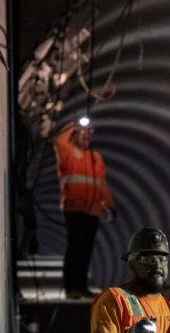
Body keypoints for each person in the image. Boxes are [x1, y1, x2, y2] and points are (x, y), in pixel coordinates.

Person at [53, 120, 114, 298]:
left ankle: (81, 287)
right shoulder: (68, 153)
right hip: (74, 208)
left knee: (86, 250)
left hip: (92, 211)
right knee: (75, 248)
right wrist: (74, 124)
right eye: (83, 133)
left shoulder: (96, 157)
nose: (87, 137)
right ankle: (71, 288)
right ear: (75, 136)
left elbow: (101, 185)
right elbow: (59, 140)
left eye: (89, 134)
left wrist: (110, 206)